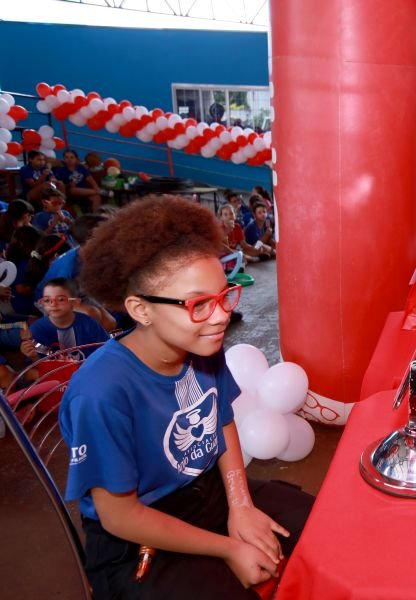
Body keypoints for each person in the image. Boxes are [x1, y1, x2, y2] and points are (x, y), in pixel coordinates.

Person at [59, 196, 313, 598]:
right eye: (198, 304)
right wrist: (229, 547)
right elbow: (120, 517)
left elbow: (223, 420)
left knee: (324, 529)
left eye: (224, 296)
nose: (221, 316)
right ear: (140, 310)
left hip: (208, 492)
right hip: (141, 533)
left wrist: (241, 505)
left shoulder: (201, 348)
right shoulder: (101, 392)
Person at [20, 278, 109, 359]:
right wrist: (31, 355)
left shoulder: (89, 324)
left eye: (61, 299)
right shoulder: (37, 330)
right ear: (42, 303)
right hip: (54, 373)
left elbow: (106, 350)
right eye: (47, 300)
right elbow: (37, 363)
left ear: (75, 302)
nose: (53, 304)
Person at [55, 149, 105, 214]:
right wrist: (68, 184)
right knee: (73, 189)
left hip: (84, 191)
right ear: (64, 159)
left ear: (76, 159)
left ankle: (95, 215)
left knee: (97, 197)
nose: (69, 159)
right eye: (66, 157)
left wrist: (96, 187)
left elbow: (89, 178)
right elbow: (59, 184)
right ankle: (101, 192)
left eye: (72, 157)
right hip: (71, 192)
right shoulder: (61, 170)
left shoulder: (81, 168)